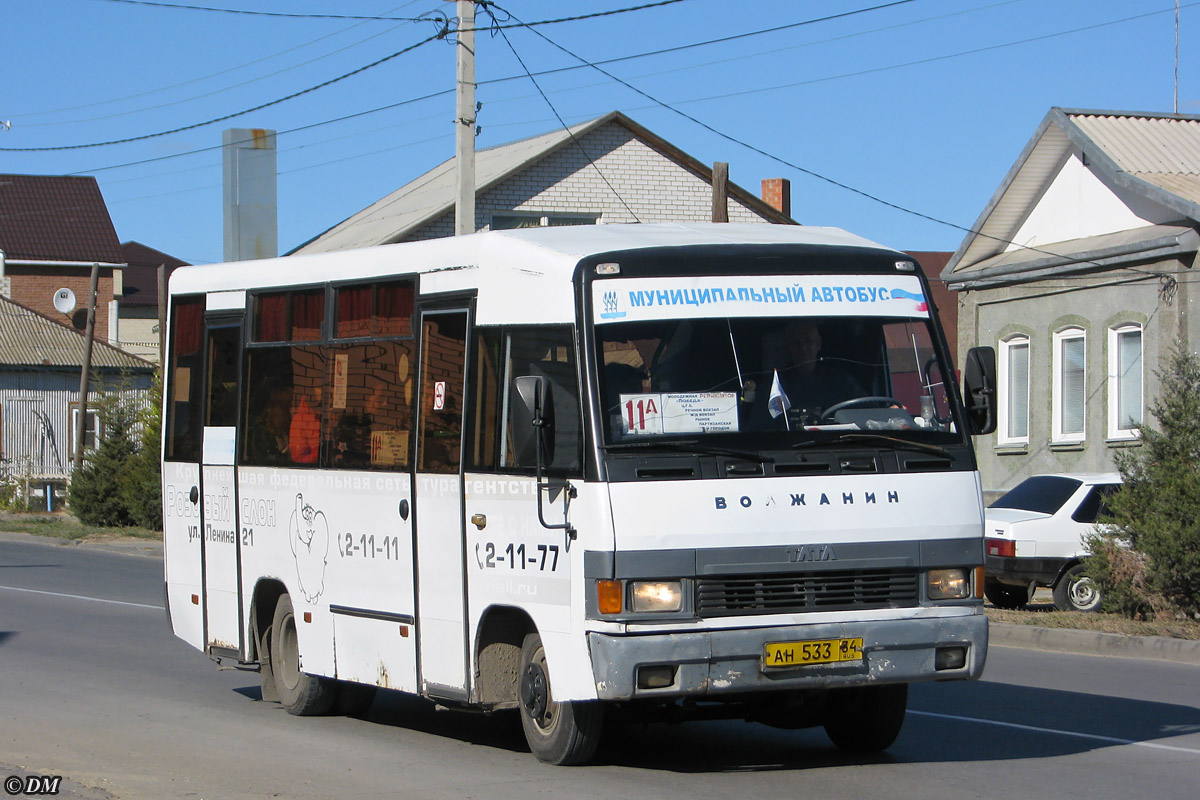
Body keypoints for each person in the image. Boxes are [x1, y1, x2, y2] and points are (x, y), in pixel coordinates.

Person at [761, 319, 864, 426]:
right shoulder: (775, 387)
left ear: (818, 344)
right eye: (796, 343)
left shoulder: (843, 382)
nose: (803, 348)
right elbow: (761, 429)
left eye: (808, 341)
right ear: (787, 347)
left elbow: (872, 416)